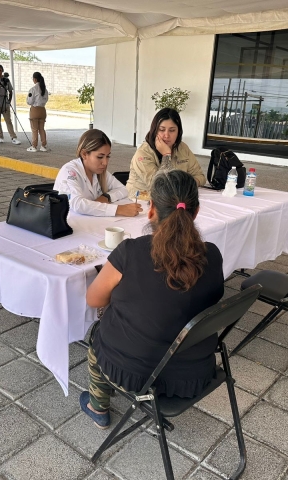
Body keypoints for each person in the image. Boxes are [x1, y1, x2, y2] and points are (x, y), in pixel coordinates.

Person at [80, 170, 224, 428]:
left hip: (135, 373)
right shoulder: (212, 255)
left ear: (151, 209)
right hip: (193, 373)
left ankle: (97, 406)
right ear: (196, 211)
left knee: (98, 333)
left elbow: (94, 299)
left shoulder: (130, 252)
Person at [54, 129, 142, 217]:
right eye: (100, 157)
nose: (105, 162)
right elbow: (78, 204)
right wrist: (118, 209)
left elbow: (123, 189)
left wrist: (107, 197)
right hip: (71, 224)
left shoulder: (99, 172)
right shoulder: (69, 171)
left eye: (108, 156)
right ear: (84, 154)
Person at [126, 108, 206, 197]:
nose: (167, 135)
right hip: (142, 201)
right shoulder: (143, 153)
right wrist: (166, 155)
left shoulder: (182, 148)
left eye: (172, 130)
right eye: (161, 129)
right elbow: (161, 187)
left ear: (178, 132)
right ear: (154, 130)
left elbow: (200, 177)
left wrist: (185, 185)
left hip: (176, 199)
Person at [0, 64, 20, 145]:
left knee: (8, 120)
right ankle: (0, 137)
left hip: (5, 103)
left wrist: (9, 101)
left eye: (1, 70)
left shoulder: (6, 80)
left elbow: (10, 90)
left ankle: (13, 137)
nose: (0, 72)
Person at [26, 71, 49, 152]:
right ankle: (43, 145)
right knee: (41, 129)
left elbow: (29, 101)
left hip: (35, 110)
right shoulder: (45, 89)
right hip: (43, 110)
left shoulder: (33, 89)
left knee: (34, 129)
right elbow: (46, 100)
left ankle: (34, 146)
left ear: (35, 79)